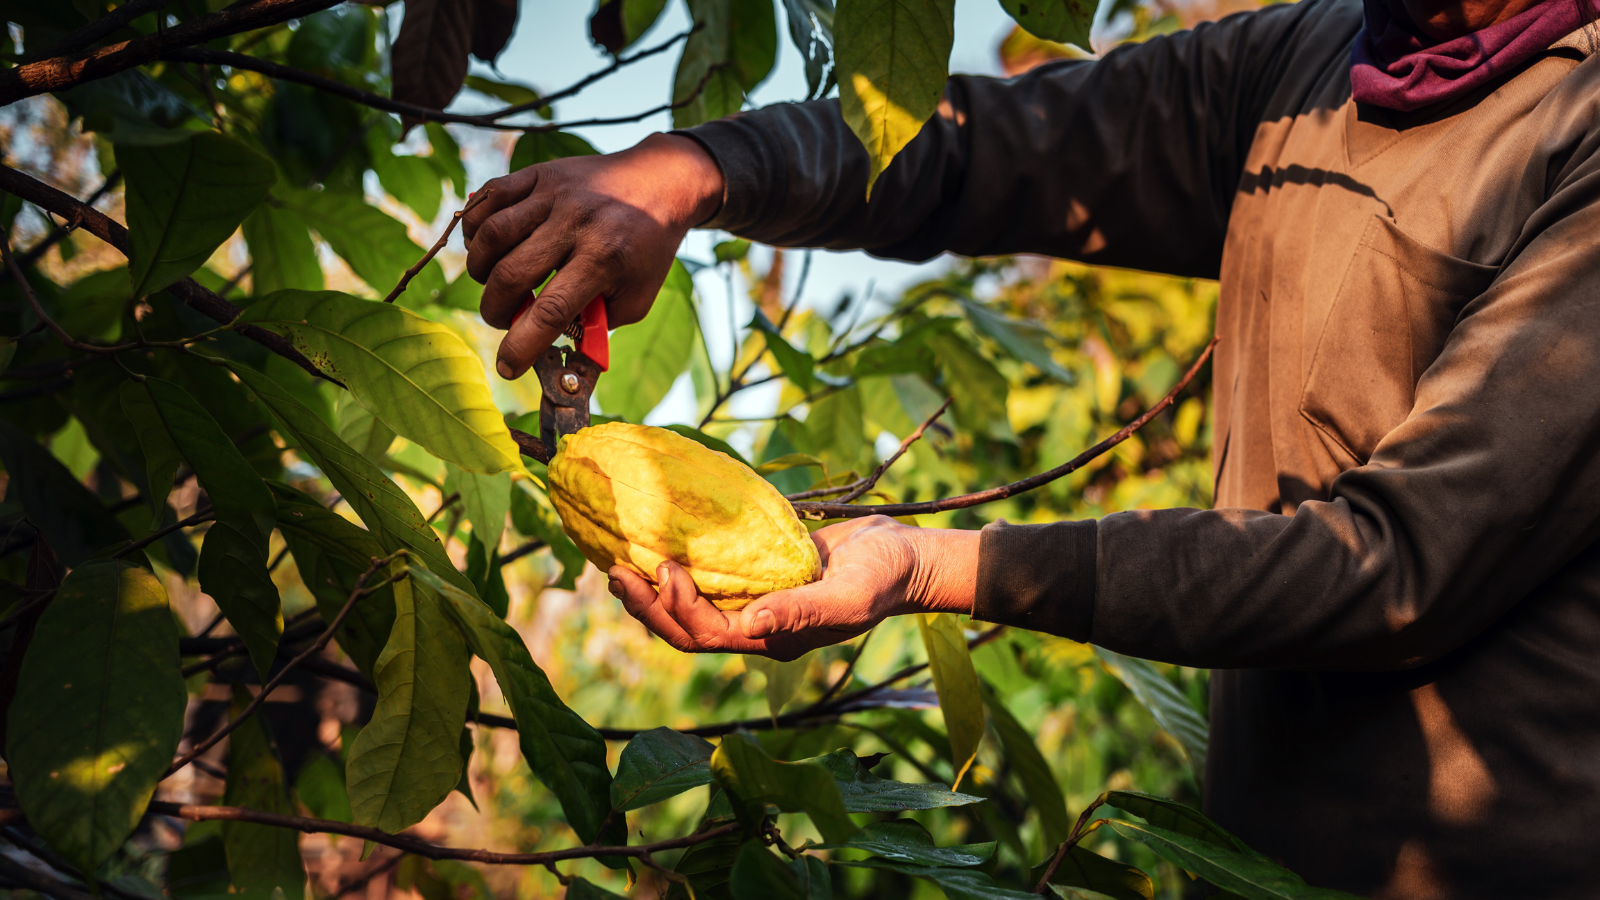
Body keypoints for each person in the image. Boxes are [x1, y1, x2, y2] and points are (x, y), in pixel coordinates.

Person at [461, 0, 1600, 893]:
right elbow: (980, 149)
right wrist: (689, 171)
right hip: (1258, 860)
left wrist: (933, 567)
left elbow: (1390, 563)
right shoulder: (1309, 63)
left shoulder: (1578, 126)